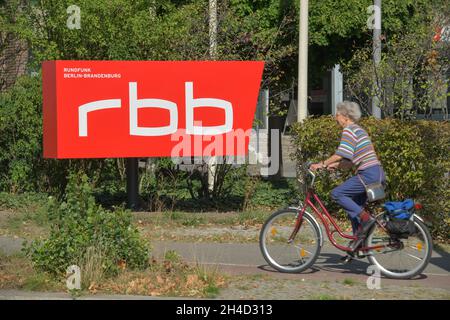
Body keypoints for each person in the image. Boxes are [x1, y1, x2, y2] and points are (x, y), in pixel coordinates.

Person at [310, 101, 386, 251]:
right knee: (354, 209)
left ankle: (367, 220)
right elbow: (349, 161)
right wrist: (332, 166)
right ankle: (358, 245)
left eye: (337, 115)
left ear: (345, 116)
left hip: (368, 174)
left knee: (337, 194)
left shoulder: (349, 130)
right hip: (376, 173)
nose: (335, 118)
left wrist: (321, 164)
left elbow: (341, 154)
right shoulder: (359, 130)